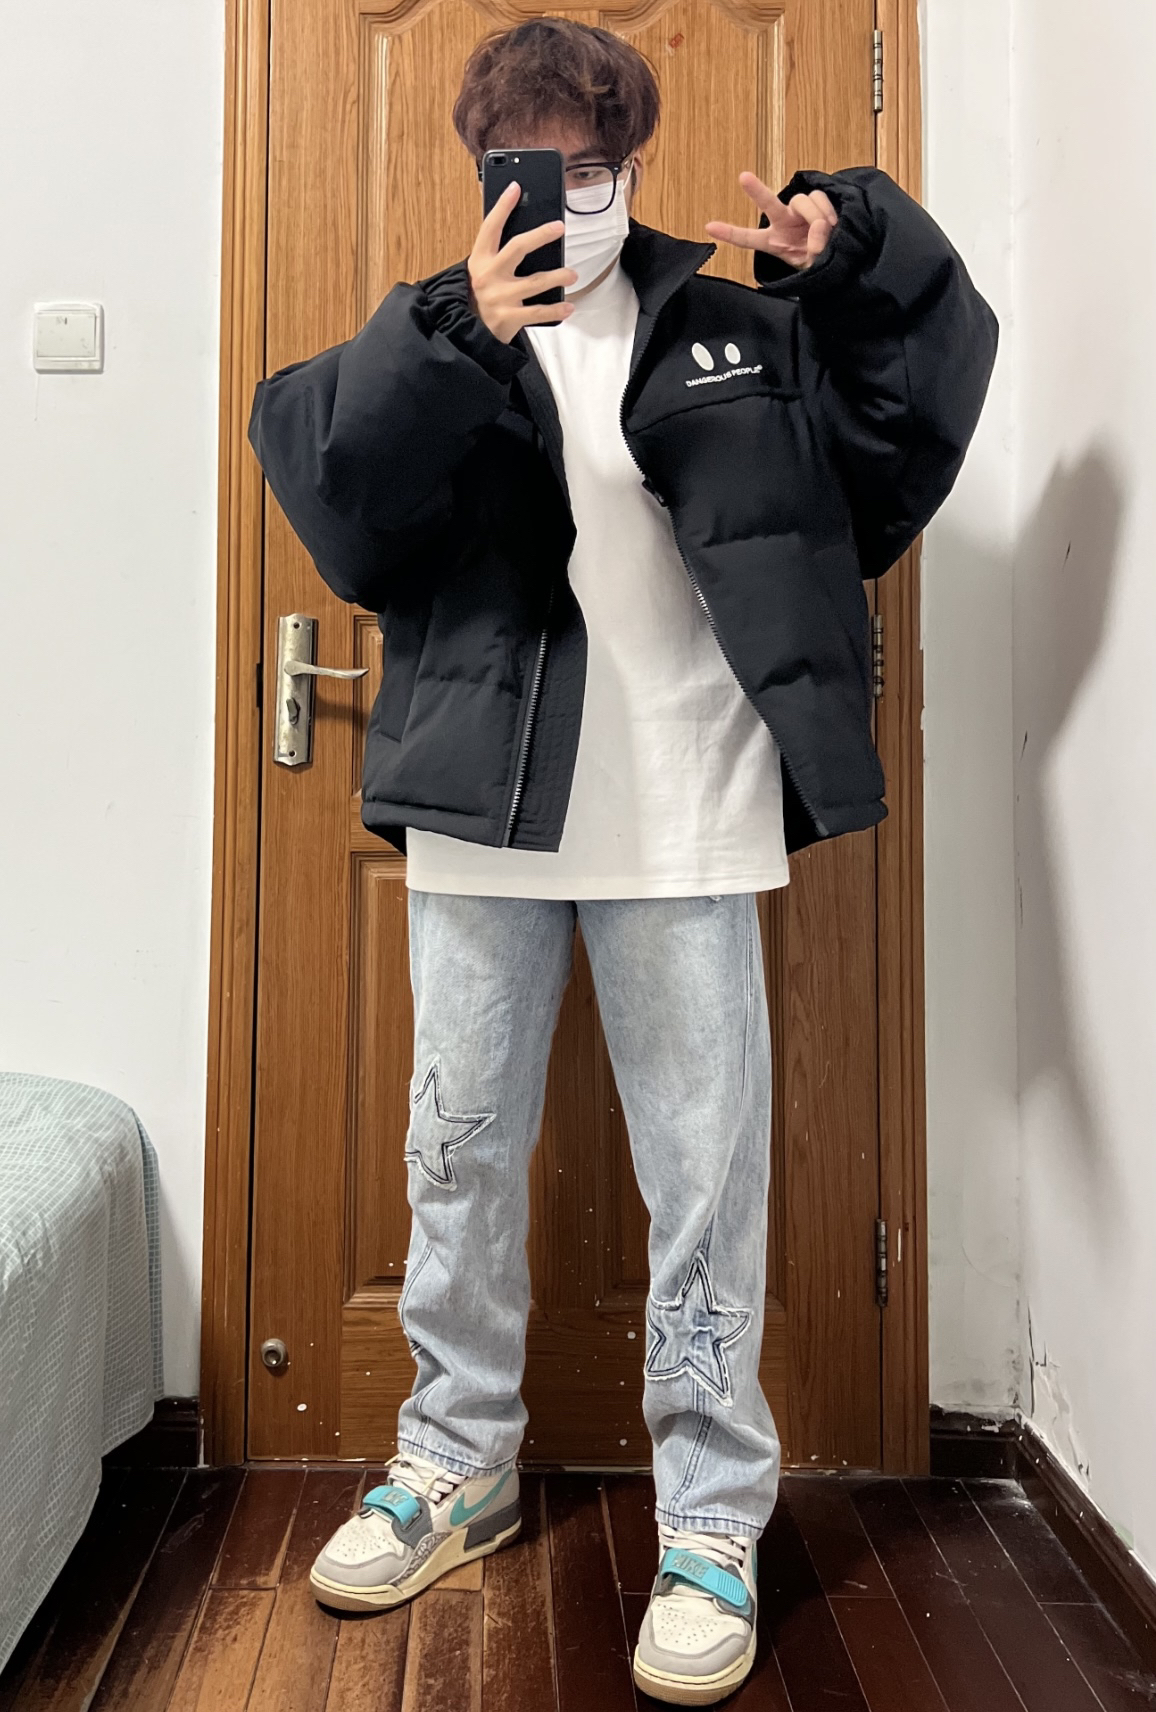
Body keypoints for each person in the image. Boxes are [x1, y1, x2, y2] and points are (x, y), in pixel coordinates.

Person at [248, 17, 997, 1704]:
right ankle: (455, 1461)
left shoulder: (738, 328)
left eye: (594, 166)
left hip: (689, 814)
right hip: (484, 819)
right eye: (534, 166)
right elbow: (345, 513)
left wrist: (857, 258)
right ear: (483, 169)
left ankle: (713, 1519)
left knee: (705, 1183)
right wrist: (457, 336)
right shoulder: (434, 333)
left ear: (634, 166)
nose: (568, 195)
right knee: (455, 1161)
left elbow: (907, 439)